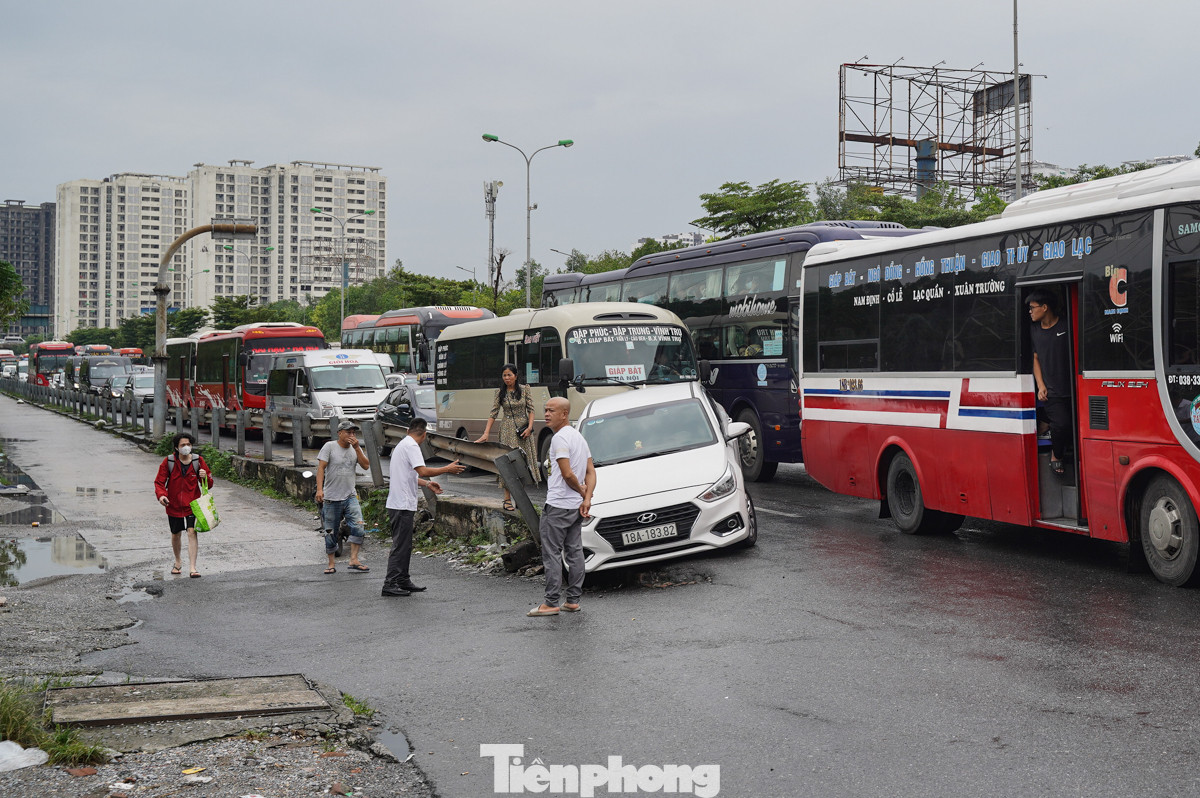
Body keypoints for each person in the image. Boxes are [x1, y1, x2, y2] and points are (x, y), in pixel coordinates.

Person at [527, 397, 596, 617]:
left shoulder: (559, 439)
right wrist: (586, 498)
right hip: (575, 507)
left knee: (552, 554)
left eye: (551, 410)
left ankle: (551, 602)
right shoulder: (579, 437)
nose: (546, 414)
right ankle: (573, 600)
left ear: (564, 414)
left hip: (558, 505)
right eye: (545, 410)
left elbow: (567, 474)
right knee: (574, 552)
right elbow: (591, 472)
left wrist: (583, 493)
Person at [382, 418, 465, 597]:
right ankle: (390, 583)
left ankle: (403, 580)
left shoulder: (402, 445)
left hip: (399, 502)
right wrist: (447, 469)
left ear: (407, 430)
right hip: (402, 504)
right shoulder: (412, 446)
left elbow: (409, 475)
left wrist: (427, 485)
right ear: (425, 434)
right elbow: (423, 471)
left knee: (405, 545)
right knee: (401, 545)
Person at [473, 364, 541, 510]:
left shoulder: (525, 390)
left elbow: (531, 410)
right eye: (504, 375)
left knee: (521, 464)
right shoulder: (499, 393)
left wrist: (529, 428)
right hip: (507, 430)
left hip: (523, 431)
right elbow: (493, 413)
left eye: (509, 375)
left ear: (516, 376)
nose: (507, 378)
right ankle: (507, 499)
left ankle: (520, 499)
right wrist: (486, 433)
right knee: (508, 464)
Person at [153, 433, 213, 578]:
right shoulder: (169, 462)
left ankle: (193, 567)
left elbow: (208, 484)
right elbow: (159, 482)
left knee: (192, 532)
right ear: (176, 447)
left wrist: (206, 477)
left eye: (188, 444)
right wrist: (162, 496)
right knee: (176, 534)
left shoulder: (198, 461)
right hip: (173, 504)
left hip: (193, 504)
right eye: (182, 445)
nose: (186, 447)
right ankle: (178, 561)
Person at [316, 420, 371, 574]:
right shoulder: (330, 447)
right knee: (330, 531)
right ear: (339, 433)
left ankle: (354, 559)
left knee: (359, 526)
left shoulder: (355, 449)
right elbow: (321, 468)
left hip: (350, 496)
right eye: (348, 432)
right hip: (332, 497)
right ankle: (331, 563)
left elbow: (366, 466)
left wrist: (358, 448)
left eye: (353, 432)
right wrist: (320, 490)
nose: (351, 435)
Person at [1028, 290, 1073, 475]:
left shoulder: (1065, 325)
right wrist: (1041, 385)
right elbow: (1035, 358)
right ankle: (1056, 456)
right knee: (1062, 424)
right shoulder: (1034, 330)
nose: (1030, 312)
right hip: (1051, 390)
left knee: (1070, 425)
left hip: (1072, 387)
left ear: (1045, 307)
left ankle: (1046, 421)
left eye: (1032, 308)